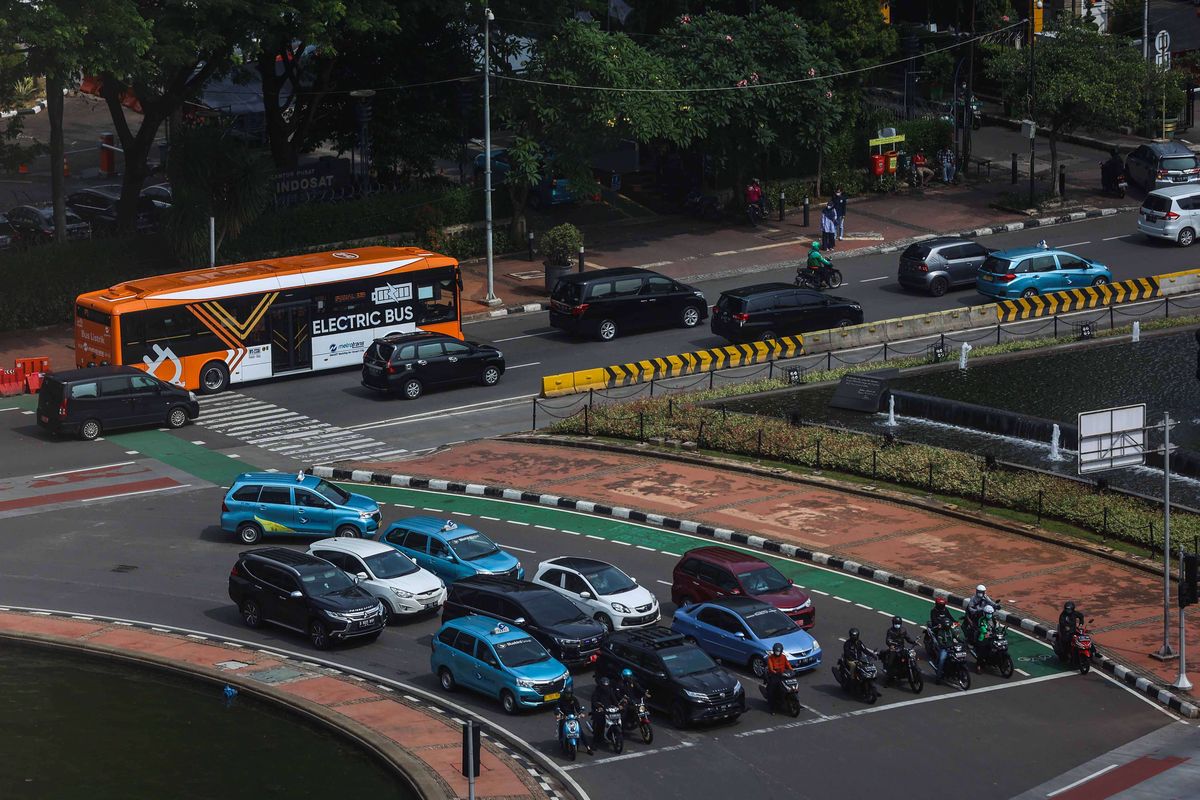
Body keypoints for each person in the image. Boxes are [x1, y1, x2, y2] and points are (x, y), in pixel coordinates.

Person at [555, 688, 593, 754]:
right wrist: (557, 714)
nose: (568, 695)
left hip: (572, 717)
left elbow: (577, 708)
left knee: (580, 731)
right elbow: (557, 707)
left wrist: (580, 713)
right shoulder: (560, 699)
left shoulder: (574, 699)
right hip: (564, 716)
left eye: (569, 694)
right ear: (565, 693)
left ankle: (588, 747)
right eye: (567, 694)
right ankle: (561, 742)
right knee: (561, 728)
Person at [882, 615, 917, 680]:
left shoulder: (903, 630)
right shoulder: (890, 631)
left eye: (898, 623)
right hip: (894, 649)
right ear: (893, 623)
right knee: (891, 661)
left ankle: (912, 669)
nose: (897, 625)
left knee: (911, 656)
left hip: (901, 648)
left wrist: (914, 642)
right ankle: (889, 675)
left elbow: (908, 638)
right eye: (896, 623)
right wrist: (891, 645)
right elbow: (888, 640)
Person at [591, 676, 622, 743]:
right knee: (600, 725)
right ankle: (594, 743)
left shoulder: (610, 690)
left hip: (609, 709)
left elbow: (614, 699)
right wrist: (598, 707)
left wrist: (618, 705)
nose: (605, 687)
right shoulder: (597, 691)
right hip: (600, 710)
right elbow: (594, 701)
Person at [764, 642, 791, 715]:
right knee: (772, 691)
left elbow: (787, 664)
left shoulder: (783, 657)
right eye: (776, 651)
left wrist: (792, 670)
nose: (777, 653)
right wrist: (774, 672)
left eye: (778, 651)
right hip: (774, 675)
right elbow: (771, 667)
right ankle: (772, 709)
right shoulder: (770, 658)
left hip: (782, 675)